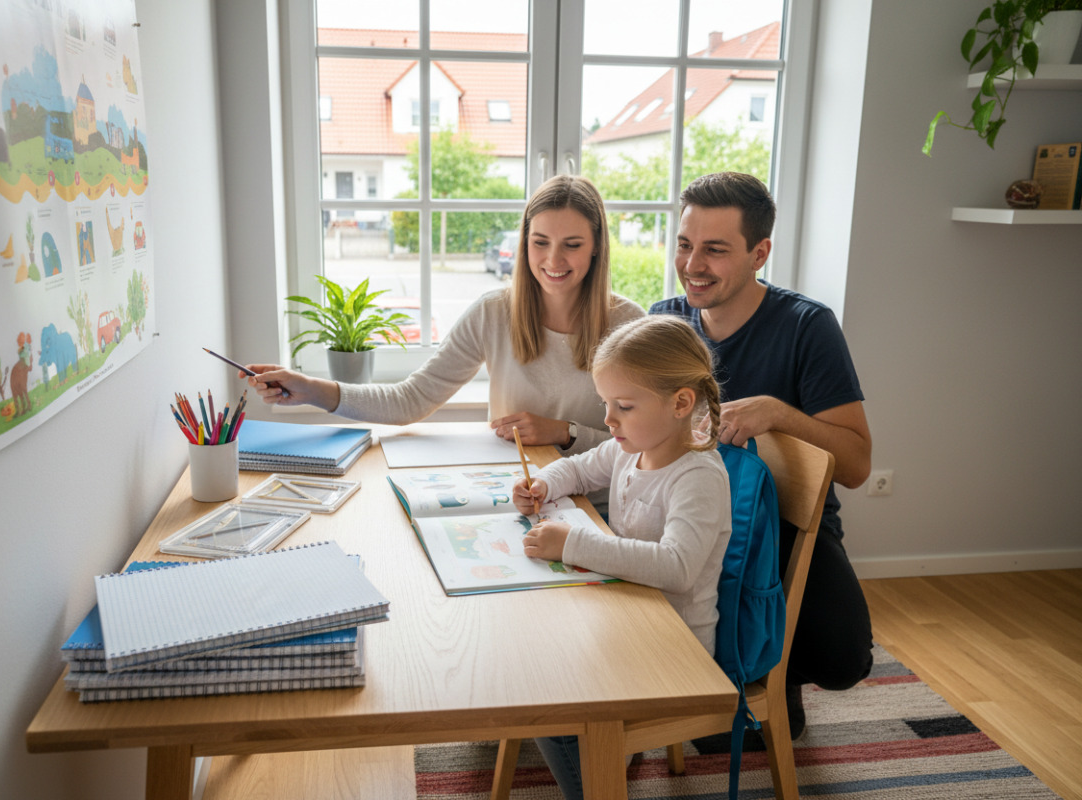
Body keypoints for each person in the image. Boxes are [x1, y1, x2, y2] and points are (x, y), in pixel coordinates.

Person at [650, 171, 874, 738]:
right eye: (684, 244)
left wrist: (780, 414)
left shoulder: (807, 326)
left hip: (784, 531)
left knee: (846, 662)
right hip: (687, 519)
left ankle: (774, 665)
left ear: (760, 253)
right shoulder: (665, 319)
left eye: (715, 250)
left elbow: (856, 466)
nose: (692, 264)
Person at [245, 174, 645, 453]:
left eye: (572, 244)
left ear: (596, 247)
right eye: (540, 242)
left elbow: (649, 442)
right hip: (523, 494)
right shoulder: (493, 313)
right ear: (524, 243)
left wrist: (566, 434)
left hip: (599, 505)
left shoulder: (628, 325)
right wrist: (311, 390)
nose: (553, 259)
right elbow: (409, 400)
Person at [512, 314, 732, 800]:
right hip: (625, 618)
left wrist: (572, 542)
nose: (608, 420)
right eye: (605, 404)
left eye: (624, 406)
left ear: (680, 404)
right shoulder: (630, 447)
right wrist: (544, 484)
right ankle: (611, 755)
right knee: (525, 654)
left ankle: (601, 781)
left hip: (674, 649)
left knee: (548, 703)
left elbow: (676, 568)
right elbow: (577, 468)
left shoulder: (697, 475)